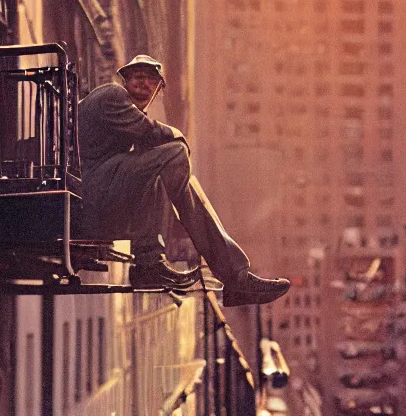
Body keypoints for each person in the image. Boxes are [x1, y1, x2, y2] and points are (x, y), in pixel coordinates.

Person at [78, 55, 290, 306]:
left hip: (102, 191)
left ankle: (155, 264)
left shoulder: (128, 117)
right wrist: (178, 137)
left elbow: (151, 152)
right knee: (175, 154)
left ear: (158, 89)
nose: (144, 83)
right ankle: (231, 275)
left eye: (151, 80)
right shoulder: (113, 96)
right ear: (126, 80)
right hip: (91, 192)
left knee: (166, 172)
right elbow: (151, 133)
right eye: (138, 76)